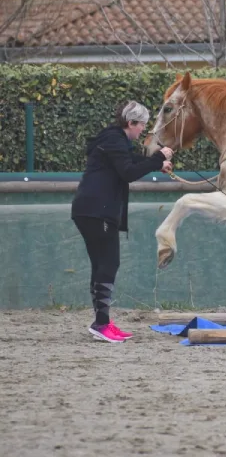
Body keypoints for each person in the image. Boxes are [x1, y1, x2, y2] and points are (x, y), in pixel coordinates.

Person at [71, 100, 174, 343]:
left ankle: (102, 322)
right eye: (142, 126)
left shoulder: (115, 140)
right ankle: (101, 324)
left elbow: (131, 162)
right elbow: (128, 172)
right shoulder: (115, 140)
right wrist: (158, 157)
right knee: (108, 263)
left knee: (102, 265)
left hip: (92, 210)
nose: (143, 131)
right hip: (97, 211)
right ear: (131, 123)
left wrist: (157, 163)